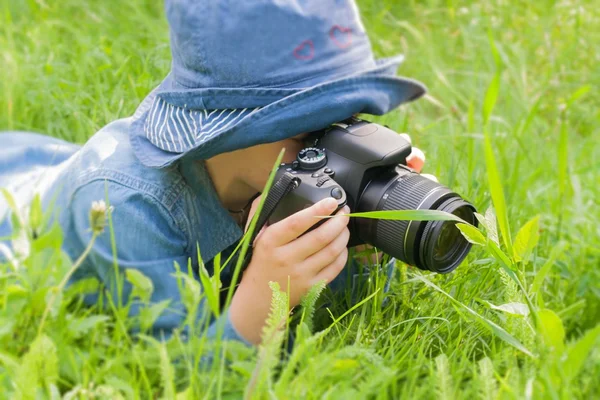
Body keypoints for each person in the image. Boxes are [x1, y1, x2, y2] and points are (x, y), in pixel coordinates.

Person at [0, 0, 428, 346]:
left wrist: (368, 241)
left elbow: (340, 312)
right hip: (19, 215)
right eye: (314, 132)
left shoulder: (272, 175)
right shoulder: (127, 209)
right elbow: (182, 373)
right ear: (227, 134)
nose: (340, 150)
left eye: (350, 123)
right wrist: (265, 298)